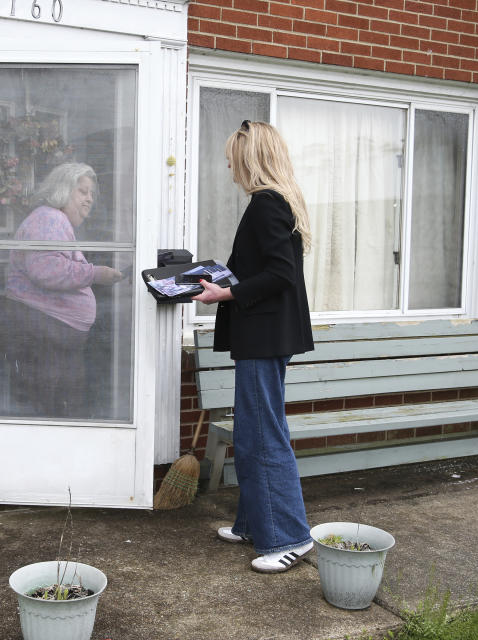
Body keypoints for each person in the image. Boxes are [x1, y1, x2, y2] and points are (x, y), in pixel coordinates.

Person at [193, 120, 315, 574]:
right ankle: (253, 522)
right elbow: (263, 268)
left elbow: (280, 275)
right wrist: (218, 279)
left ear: (250, 159)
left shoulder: (266, 206)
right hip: (264, 336)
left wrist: (227, 293)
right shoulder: (276, 204)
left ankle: (290, 537)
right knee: (251, 433)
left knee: (263, 436)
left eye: (232, 158)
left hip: (264, 338)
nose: (228, 166)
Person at [2, 162, 124, 418]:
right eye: (82, 191)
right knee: (48, 409)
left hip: (52, 334)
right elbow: (47, 269)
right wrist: (95, 274)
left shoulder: (53, 220)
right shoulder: (49, 218)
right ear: (62, 190)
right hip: (42, 331)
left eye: (91, 193)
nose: (89, 199)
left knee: (58, 404)